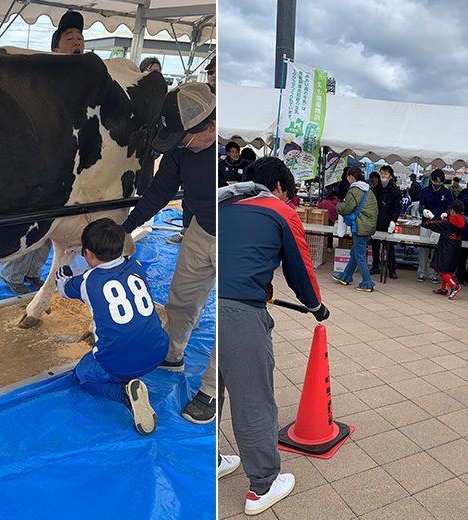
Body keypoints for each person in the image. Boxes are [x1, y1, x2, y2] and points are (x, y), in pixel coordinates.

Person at [217, 156, 329, 515]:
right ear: (279, 187)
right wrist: (316, 307)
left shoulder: (222, 202)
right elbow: (300, 269)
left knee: (208, 391)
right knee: (253, 400)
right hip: (238, 313)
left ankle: (207, 458)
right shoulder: (279, 209)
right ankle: (262, 486)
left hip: (201, 307)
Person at [120, 82, 217, 423]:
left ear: (212, 127)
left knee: (232, 316)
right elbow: (159, 192)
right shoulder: (181, 147)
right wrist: (125, 229)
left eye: (185, 141)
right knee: (182, 298)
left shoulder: (228, 150)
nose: (181, 147)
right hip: (200, 229)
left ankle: (211, 390)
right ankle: (172, 353)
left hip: (233, 235)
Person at [0, 10, 87, 294]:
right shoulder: (43, 78)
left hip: (68, 166)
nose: (77, 42)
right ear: (55, 48)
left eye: (80, 38)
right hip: (39, 162)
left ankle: (34, 272)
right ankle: (12, 273)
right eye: (69, 37)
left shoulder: (87, 81)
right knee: (32, 223)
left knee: (53, 227)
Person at [55, 218, 168, 435]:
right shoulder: (135, 266)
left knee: (81, 377)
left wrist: (65, 265)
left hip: (117, 362)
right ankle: (130, 378)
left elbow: (63, 287)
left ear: (87, 253)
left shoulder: (88, 280)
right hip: (158, 352)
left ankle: (123, 393)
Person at [332, 166, 378, 292]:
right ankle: (345, 276)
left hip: (360, 227)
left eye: (348, 176)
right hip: (369, 226)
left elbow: (346, 208)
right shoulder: (368, 190)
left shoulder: (354, 191)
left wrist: (338, 206)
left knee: (360, 255)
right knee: (355, 253)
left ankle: (367, 282)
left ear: (351, 177)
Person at [417, 168, 453, 283]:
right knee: (423, 248)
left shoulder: (446, 192)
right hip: (426, 223)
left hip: (439, 225)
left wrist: (446, 213)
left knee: (436, 250)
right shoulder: (425, 191)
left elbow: (450, 207)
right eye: (436, 182)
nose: (438, 185)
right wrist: (423, 211)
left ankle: (433, 273)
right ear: (431, 180)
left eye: (440, 182)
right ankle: (422, 272)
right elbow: (420, 206)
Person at [424, 200, 465, 299]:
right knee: (448, 270)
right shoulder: (462, 222)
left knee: (441, 269)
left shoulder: (447, 222)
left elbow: (434, 224)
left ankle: (454, 286)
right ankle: (443, 289)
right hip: (456, 248)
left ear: (453, 211)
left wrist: (430, 218)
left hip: (445, 248)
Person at [369, 165, 401, 279]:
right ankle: (375, 266)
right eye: (382, 173)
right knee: (375, 245)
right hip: (376, 222)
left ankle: (392, 269)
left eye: (385, 174)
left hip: (389, 222)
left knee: (390, 247)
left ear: (390, 176)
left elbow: (398, 207)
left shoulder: (395, 191)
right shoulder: (374, 190)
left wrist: (393, 220)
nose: (383, 176)